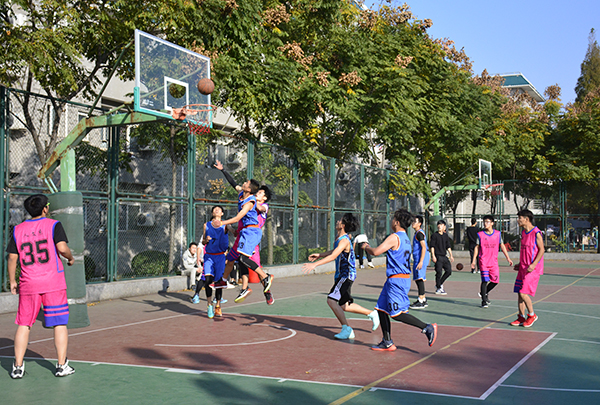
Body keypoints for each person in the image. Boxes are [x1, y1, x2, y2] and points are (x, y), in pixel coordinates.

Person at [7, 194, 76, 379]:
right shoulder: (54, 225)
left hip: (28, 283)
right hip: (53, 282)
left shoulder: (18, 229)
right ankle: (61, 365)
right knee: (59, 323)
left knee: (24, 324)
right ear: (45, 208)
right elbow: (62, 248)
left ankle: (17, 367)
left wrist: (12, 281)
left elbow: (12, 258)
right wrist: (70, 258)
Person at [361, 209, 437, 351]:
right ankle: (387, 342)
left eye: (393, 219)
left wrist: (366, 247)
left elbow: (376, 252)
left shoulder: (394, 237)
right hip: (395, 279)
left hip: (397, 280)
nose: (391, 221)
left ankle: (427, 327)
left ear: (396, 222)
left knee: (397, 314)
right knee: (381, 309)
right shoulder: (406, 238)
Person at [302, 213, 379, 340]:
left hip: (346, 275)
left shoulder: (344, 240)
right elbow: (335, 251)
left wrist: (315, 265)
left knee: (331, 300)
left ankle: (347, 329)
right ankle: (372, 313)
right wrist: (320, 255)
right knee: (344, 305)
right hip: (341, 275)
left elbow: (333, 256)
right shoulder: (339, 238)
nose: (337, 221)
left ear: (343, 225)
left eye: (340, 220)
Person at [211, 161, 274, 304]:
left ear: (263, 197)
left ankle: (266, 287)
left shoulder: (261, 205)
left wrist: (222, 223)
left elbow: (256, 209)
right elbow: (234, 184)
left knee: (249, 263)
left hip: (252, 237)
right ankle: (231, 284)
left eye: (260, 193)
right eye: (257, 192)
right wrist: (223, 170)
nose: (258, 194)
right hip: (243, 234)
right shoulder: (245, 197)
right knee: (236, 260)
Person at [191, 206, 229, 318]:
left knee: (218, 282)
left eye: (219, 209)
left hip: (220, 256)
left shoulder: (225, 225)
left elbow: (233, 231)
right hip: (209, 256)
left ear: (222, 213)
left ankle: (218, 305)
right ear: (212, 213)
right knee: (208, 280)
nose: (216, 210)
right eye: (214, 209)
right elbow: (202, 242)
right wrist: (205, 240)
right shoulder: (206, 225)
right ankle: (209, 305)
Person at [510, 209, 544, 327]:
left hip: (533, 269)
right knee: (519, 293)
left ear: (526, 219)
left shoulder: (536, 232)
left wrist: (533, 264)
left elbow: (542, 250)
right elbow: (526, 251)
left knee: (523, 293)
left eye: (519, 218)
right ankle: (521, 317)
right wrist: (520, 264)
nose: (518, 220)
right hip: (523, 267)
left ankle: (532, 315)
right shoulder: (524, 233)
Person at [470, 215, 513, 308]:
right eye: (484, 222)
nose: (485, 224)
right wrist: (473, 261)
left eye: (487, 222)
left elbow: (502, 246)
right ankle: (484, 301)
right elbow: (477, 247)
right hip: (483, 261)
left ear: (492, 223)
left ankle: (484, 292)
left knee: (495, 281)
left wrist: (508, 258)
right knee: (485, 281)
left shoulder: (497, 234)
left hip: (493, 262)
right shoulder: (480, 234)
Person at [409, 215, 430, 309]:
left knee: (419, 279)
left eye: (415, 221)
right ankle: (423, 299)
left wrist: (421, 261)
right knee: (418, 279)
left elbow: (424, 247)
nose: (413, 223)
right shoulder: (417, 233)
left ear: (420, 223)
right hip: (419, 258)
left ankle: (421, 300)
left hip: (421, 258)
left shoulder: (419, 234)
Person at [430, 219, 454, 295]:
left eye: (441, 225)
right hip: (438, 256)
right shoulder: (434, 235)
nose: (439, 226)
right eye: (438, 225)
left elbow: (448, 246)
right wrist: (433, 256)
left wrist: (451, 255)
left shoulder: (445, 236)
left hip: (444, 256)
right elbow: (432, 246)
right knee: (439, 272)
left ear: (444, 227)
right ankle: (439, 288)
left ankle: (439, 284)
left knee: (449, 271)